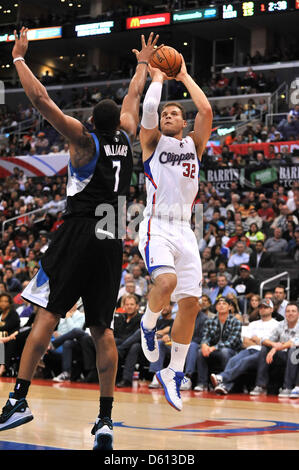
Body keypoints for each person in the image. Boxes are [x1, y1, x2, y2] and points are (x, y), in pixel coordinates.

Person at [0, 28, 162, 451]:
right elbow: (132, 98)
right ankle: (105, 420)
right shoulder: (127, 139)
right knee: (101, 329)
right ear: (118, 124)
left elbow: (41, 102)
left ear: (91, 122)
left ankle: (18, 399)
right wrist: (143, 63)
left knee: (48, 315)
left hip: (79, 230)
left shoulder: (82, 142)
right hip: (112, 235)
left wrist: (18, 59)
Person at [137, 54, 213, 411]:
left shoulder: (193, 146)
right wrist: (157, 78)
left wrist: (183, 74)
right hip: (157, 224)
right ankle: (148, 324)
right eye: (165, 114)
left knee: (191, 303)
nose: (167, 116)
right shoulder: (152, 143)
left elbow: (207, 110)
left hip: (185, 228)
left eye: (174, 114)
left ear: (183, 122)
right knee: (164, 284)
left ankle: (173, 372)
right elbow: (149, 110)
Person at [210, 298, 279, 395]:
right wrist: (261, 341)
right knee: (233, 360)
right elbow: (245, 342)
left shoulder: (277, 325)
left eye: (266, 307)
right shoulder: (253, 324)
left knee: (245, 361)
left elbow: (273, 343)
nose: (263, 309)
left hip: (264, 353)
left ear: (272, 309)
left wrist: (258, 340)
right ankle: (224, 387)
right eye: (261, 307)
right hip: (249, 350)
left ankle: (222, 378)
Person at [250, 303, 299, 397]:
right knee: (265, 348)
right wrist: (273, 345)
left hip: (295, 355)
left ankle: (287, 387)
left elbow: (295, 341)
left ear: (298, 314)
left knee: (294, 350)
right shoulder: (281, 324)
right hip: (283, 355)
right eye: (288, 311)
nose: (290, 313)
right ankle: (261, 385)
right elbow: (265, 339)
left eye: (293, 311)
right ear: (285, 314)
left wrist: (276, 348)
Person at [194, 297, 242, 391]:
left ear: (229, 307)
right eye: (219, 304)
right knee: (200, 351)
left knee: (224, 351)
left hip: (232, 351)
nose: (221, 306)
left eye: (224, 304)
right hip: (214, 350)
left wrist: (214, 347)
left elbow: (232, 341)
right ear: (216, 307)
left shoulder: (235, 321)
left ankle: (224, 383)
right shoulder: (210, 321)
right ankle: (202, 383)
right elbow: (205, 337)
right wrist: (204, 345)